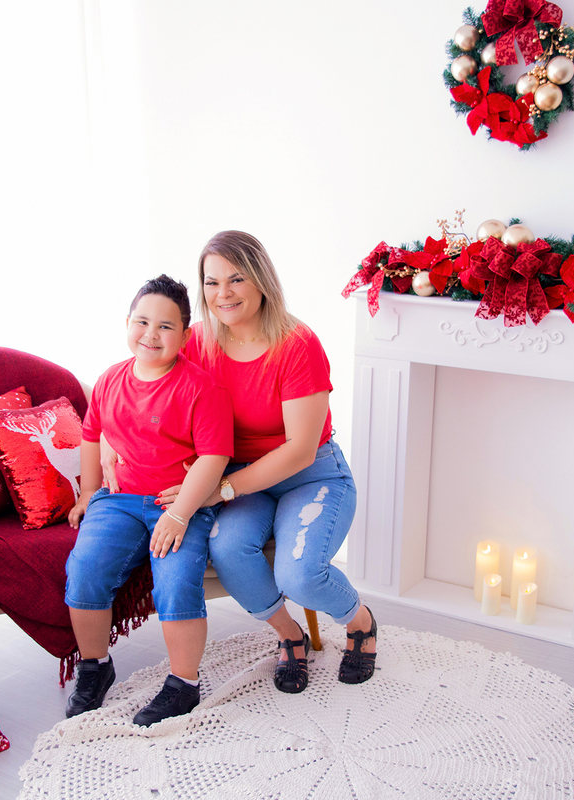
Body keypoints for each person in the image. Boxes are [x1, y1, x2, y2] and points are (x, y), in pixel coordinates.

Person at [149, 230, 377, 693]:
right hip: (239, 477)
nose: (223, 294)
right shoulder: (198, 341)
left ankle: (361, 623)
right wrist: (107, 440)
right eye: (211, 283)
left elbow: (300, 449)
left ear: (260, 280)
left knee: (300, 576)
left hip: (311, 476)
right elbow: (141, 379)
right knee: (228, 550)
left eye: (235, 279)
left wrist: (220, 490)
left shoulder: (297, 343)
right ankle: (288, 637)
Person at [64, 275, 233, 725]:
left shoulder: (201, 388)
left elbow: (214, 458)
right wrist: (87, 493)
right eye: (142, 322)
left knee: (176, 580)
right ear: (127, 323)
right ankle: (94, 667)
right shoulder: (109, 380)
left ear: (184, 335)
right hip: (118, 500)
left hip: (179, 501)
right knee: (84, 567)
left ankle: (184, 684)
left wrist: (180, 515)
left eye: (165, 327)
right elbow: (90, 433)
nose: (151, 334)